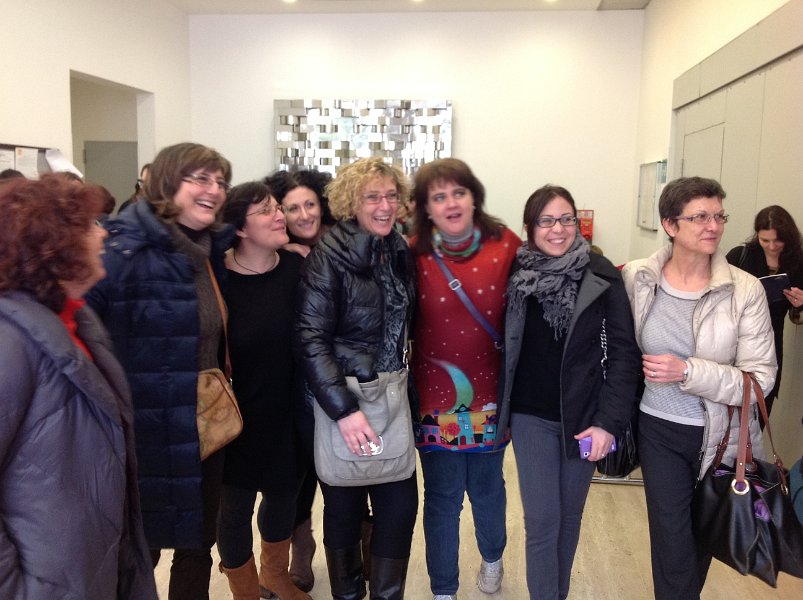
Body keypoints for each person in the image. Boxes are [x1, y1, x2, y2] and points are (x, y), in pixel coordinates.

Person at [85, 143, 235, 600]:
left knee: (198, 543)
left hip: (204, 422)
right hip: (145, 429)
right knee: (138, 550)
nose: (214, 190)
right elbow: (78, 337)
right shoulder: (122, 250)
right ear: (167, 183)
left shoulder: (208, 249)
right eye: (201, 179)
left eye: (220, 182)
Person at [0, 175, 157, 600]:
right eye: (89, 226)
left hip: (90, 567)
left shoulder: (75, 320)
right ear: (51, 245)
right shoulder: (10, 341)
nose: (103, 233)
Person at [621, 176, 777, 599]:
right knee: (670, 538)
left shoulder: (744, 290)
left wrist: (688, 372)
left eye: (719, 216)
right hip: (658, 431)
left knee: (703, 535)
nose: (714, 226)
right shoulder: (638, 278)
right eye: (700, 217)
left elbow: (760, 380)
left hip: (721, 436)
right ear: (670, 225)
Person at [500, 184, 641, 600]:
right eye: (546, 220)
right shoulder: (515, 275)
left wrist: (608, 423)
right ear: (529, 227)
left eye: (566, 219)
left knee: (569, 517)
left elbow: (624, 354)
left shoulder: (601, 274)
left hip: (585, 418)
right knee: (542, 520)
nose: (558, 229)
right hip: (530, 415)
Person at [294, 157, 417, 600]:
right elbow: (310, 338)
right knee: (343, 509)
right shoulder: (327, 258)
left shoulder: (398, 249)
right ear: (351, 202)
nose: (384, 206)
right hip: (343, 401)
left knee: (400, 509)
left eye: (391, 196)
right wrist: (344, 412)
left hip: (392, 394)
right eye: (372, 197)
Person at [409, 158, 520, 600]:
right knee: (442, 497)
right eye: (439, 196)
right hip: (432, 400)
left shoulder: (506, 245)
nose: (451, 203)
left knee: (487, 489)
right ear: (426, 208)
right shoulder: (411, 252)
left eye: (459, 192)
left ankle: (492, 559)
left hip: (492, 396)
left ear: (475, 197)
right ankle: (443, 590)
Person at [217, 182, 310, 600]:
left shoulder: (296, 267)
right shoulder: (217, 277)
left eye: (277, 207)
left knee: (283, 497)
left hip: (288, 409)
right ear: (240, 228)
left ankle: (275, 576)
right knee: (234, 510)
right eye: (266, 211)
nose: (279, 216)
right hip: (235, 415)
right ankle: (245, 592)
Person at [264, 167, 336, 592]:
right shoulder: (278, 252)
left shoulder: (341, 242)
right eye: (293, 208)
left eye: (310, 204)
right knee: (298, 470)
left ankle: (355, 551)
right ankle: (301, 545)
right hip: (291, 377)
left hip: (341, 373)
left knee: (351, 469)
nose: (304, 214)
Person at [725, 205, 803, 418]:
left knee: (761, 407)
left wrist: (800, 304)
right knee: (730, 407)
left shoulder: (797, 261)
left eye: (778, 241)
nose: (772, 246)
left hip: (771, 341)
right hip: (735, 339)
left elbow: (797, 317)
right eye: (765, 240)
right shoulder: (740, 256)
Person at [266, 169, 335, 255]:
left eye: (310, 205)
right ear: (281, 214)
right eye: (293, 209)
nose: (305, 216)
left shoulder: (344, 238)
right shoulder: (280, 249)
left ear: (322, 208)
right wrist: (281, 250)